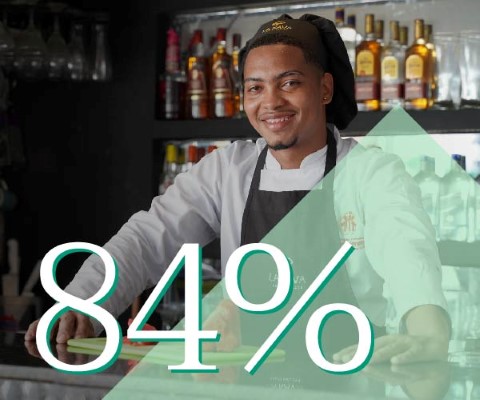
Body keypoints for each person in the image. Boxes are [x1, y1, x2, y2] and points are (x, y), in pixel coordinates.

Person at [25, 14, 450, 366]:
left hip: (353, 378)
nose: (271, 103)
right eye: (255, 87)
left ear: (324, 88)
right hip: (247, 376)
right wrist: (82, 302)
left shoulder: (370, 172)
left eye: (289, 83)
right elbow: (149, 237)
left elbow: (407, 248)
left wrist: (427, 330)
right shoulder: (228, 170)